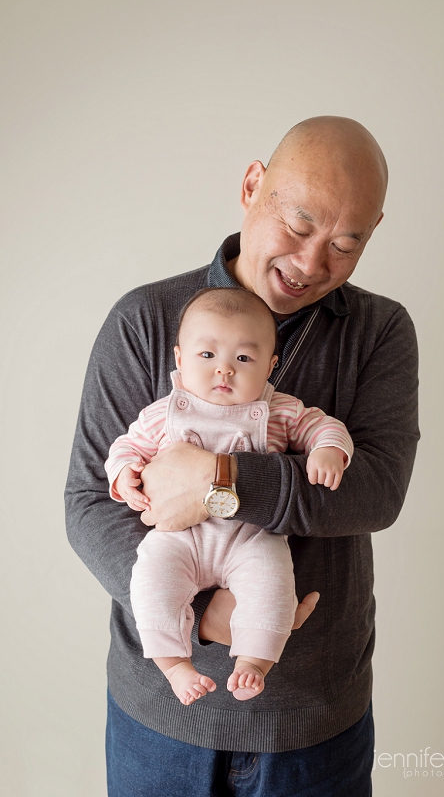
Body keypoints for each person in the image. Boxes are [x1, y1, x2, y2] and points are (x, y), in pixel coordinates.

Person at [65, 115, 420, 796]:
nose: (313, 263)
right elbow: (88, 502)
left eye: (347, 245)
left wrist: (220, 480)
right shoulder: (145, 320)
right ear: (253, 185)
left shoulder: (380, 331)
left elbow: (376, 491)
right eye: (299, 223)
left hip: (314, 725)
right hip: (160, 719)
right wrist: (203, 617)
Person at [105, 287, 353, 705]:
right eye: (207, 357)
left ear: (270, 366)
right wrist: (124, 474)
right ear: (180, 359)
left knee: (273, 587)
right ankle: (174, 665)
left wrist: (329, 449)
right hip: (179, 537)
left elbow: (322, 425)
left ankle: (253, 664)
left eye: (243, 359)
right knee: (151, 581)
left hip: (251, 536)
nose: (224, 371)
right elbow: (125, 448)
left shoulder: (279, 409)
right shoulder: (162, 413)